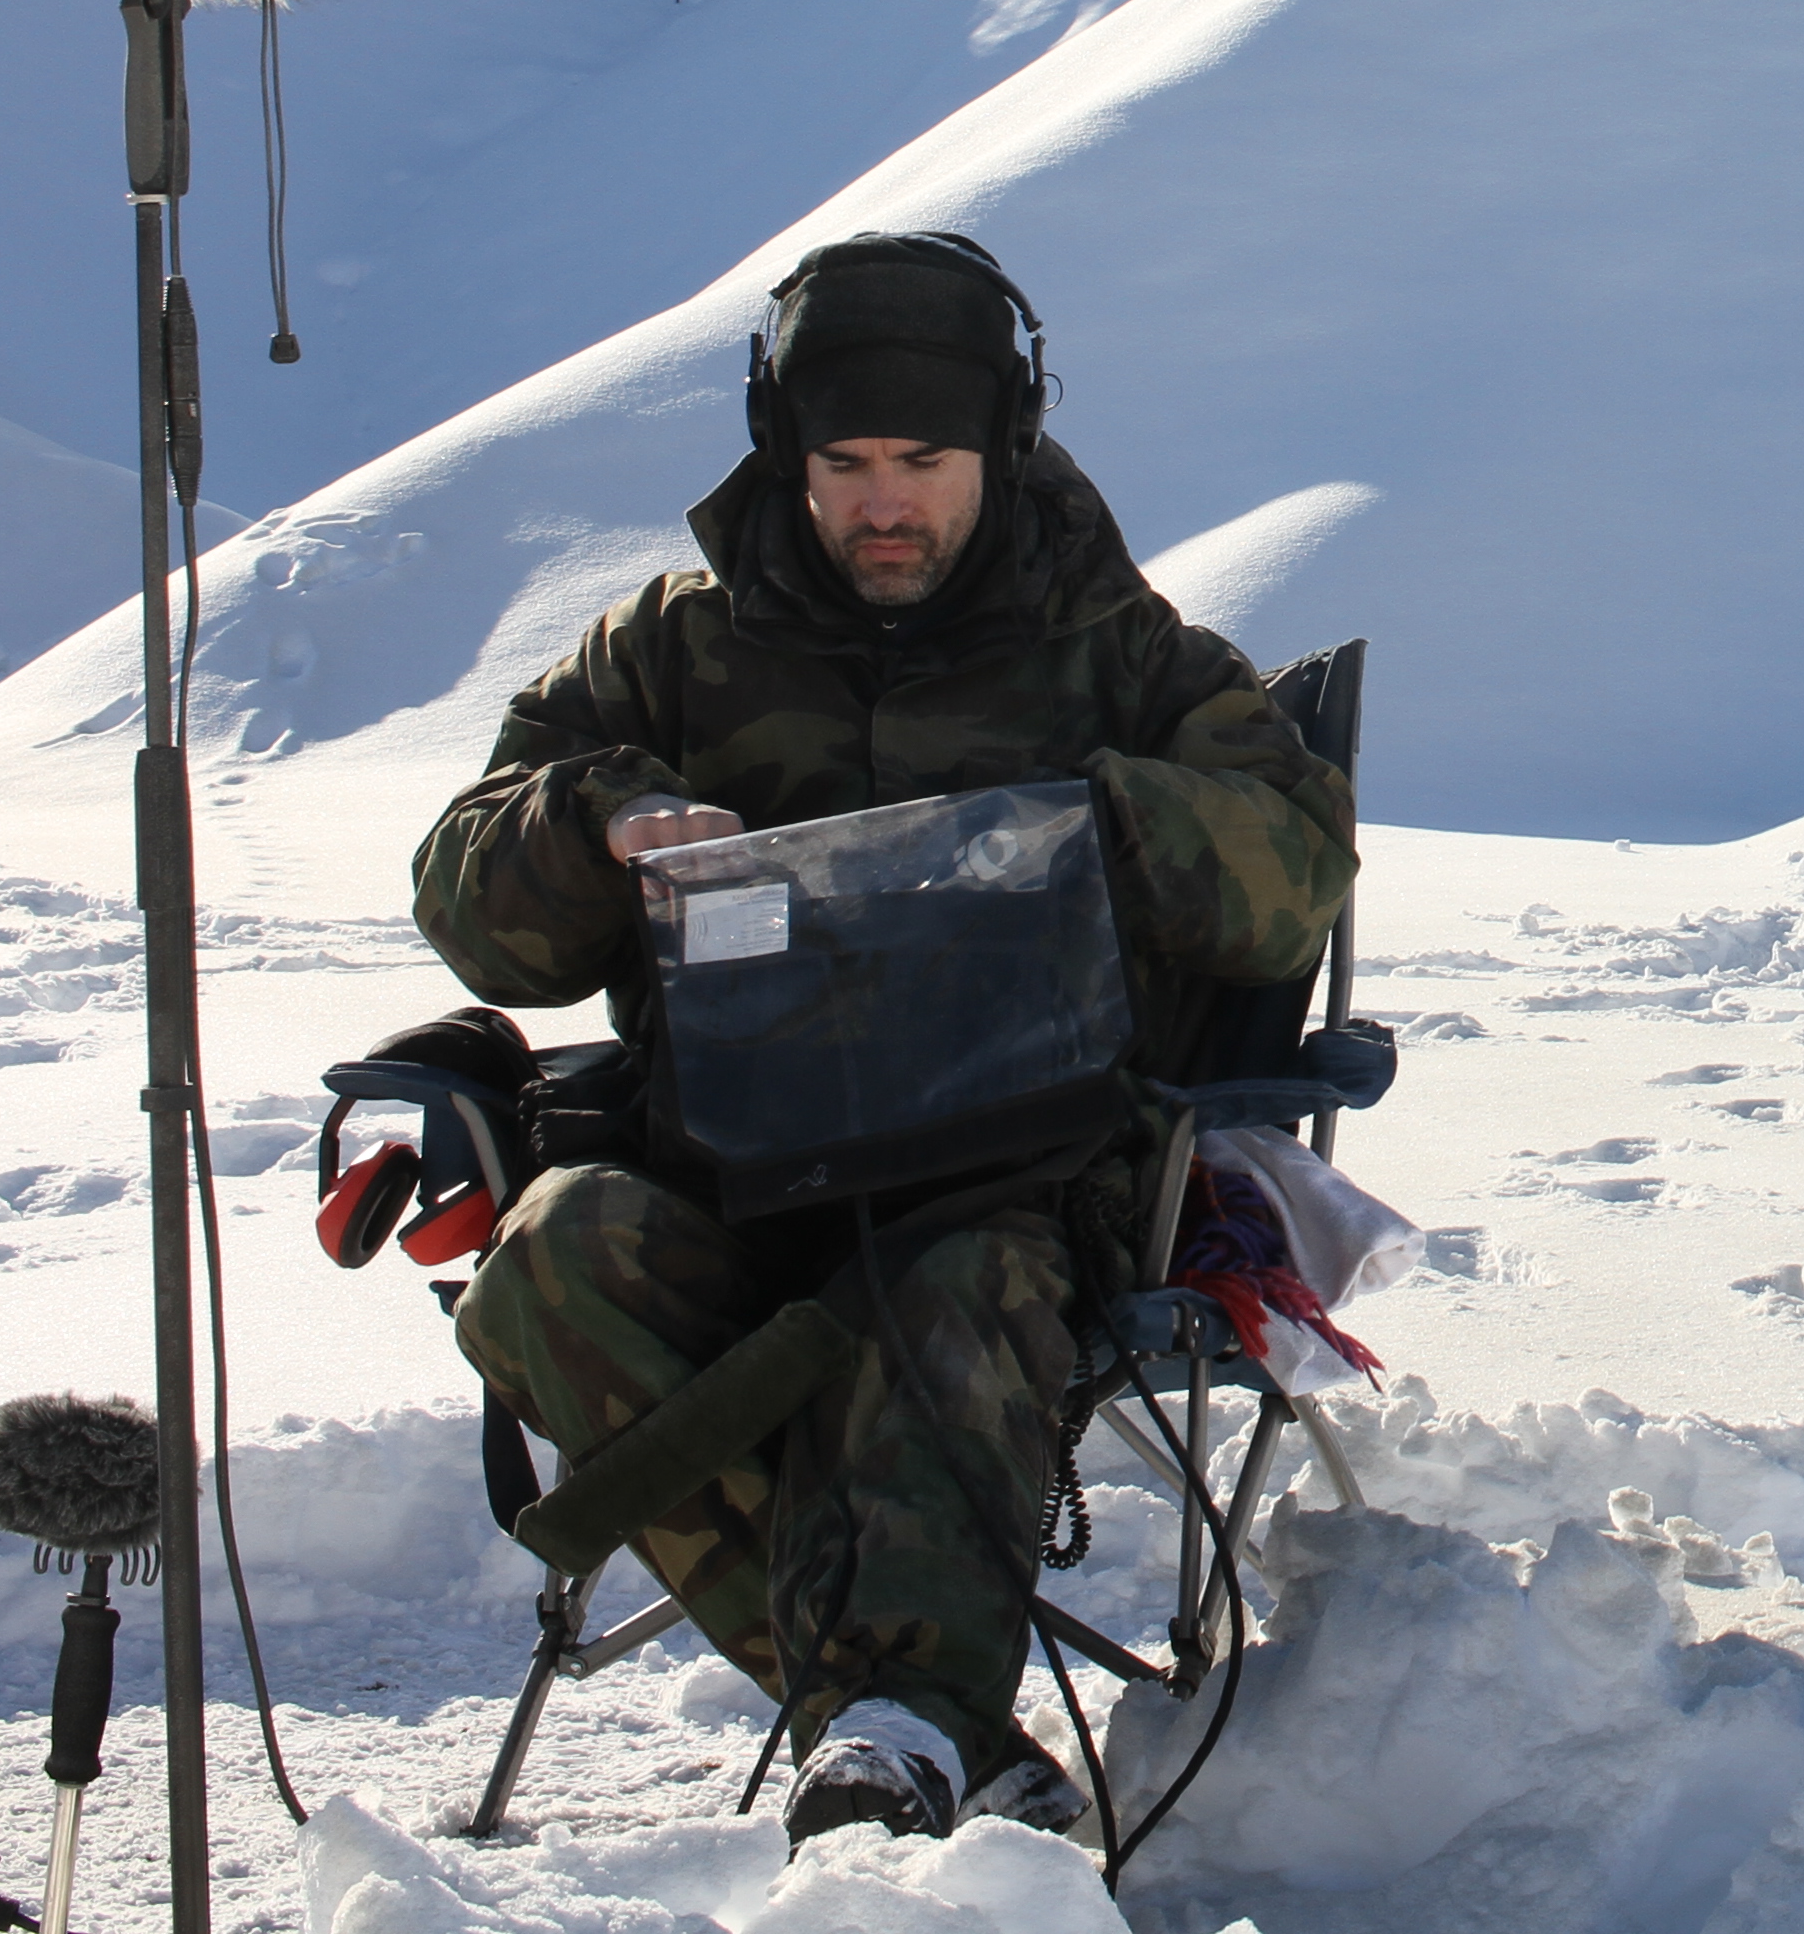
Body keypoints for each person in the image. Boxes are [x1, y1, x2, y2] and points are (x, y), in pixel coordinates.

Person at [409, 229, 1348, 1849]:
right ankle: (909, 1719)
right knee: (551, 1257)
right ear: (789, 451)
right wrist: (600, 824)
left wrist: (1091, 823)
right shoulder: (671, 647)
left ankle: (898, 1726)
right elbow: (469, 898)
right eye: (845, 461)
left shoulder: (1112, 648)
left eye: (925, 456)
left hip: (1011, 1190)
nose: (885, 500)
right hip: (724, 1172)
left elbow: (1290, 876)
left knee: (950, 1277)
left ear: (1002, 442)